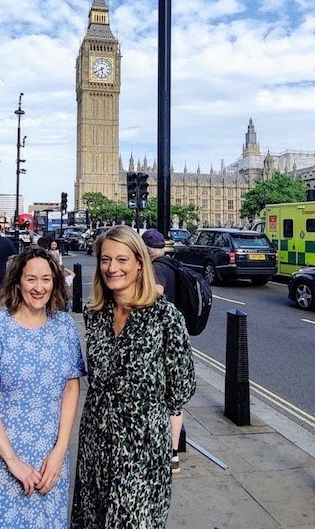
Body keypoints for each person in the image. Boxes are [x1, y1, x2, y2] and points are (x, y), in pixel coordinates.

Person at [71, 226, 195, 528]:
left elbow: (182, 387)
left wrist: (145, 413)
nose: (112, 268)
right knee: (94, 518)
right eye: (105, 260)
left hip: (142, 447)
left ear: (140, 263)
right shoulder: (95, 314)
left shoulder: (165, 317)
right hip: (95, 442)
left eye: (122, 260)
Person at [0, 247, 85, 528]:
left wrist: (59, 452)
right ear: (17, 282)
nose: (39, 288)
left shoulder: (64, 325)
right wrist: (13, 462)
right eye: (31, 279)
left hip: (48, 457)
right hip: (1, 456)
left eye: (46, 279)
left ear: (55, 282)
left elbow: (71, 388)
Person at [141, 229, 184, 474]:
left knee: (165, 399)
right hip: (176, 336)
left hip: (163, 340)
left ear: (147, 250)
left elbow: (156, 292)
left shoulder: (157, 269)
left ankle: (168, 453)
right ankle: (174, 455)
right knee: (175, 400)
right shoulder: (172, 263)